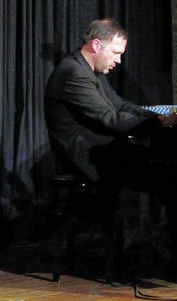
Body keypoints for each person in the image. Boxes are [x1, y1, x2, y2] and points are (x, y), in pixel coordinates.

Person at [44, 18, 177, 282]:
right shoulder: (73, 73)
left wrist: (157, 113)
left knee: (167, 173)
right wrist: (158, 122)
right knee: (169, 178)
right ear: (96, 44)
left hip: (102, 149)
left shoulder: (89, 69)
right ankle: (156, 257)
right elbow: (109, 118)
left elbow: (121, 104)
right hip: (85, 156)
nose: (118, 60)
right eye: (116, 52)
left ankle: (156, 249)